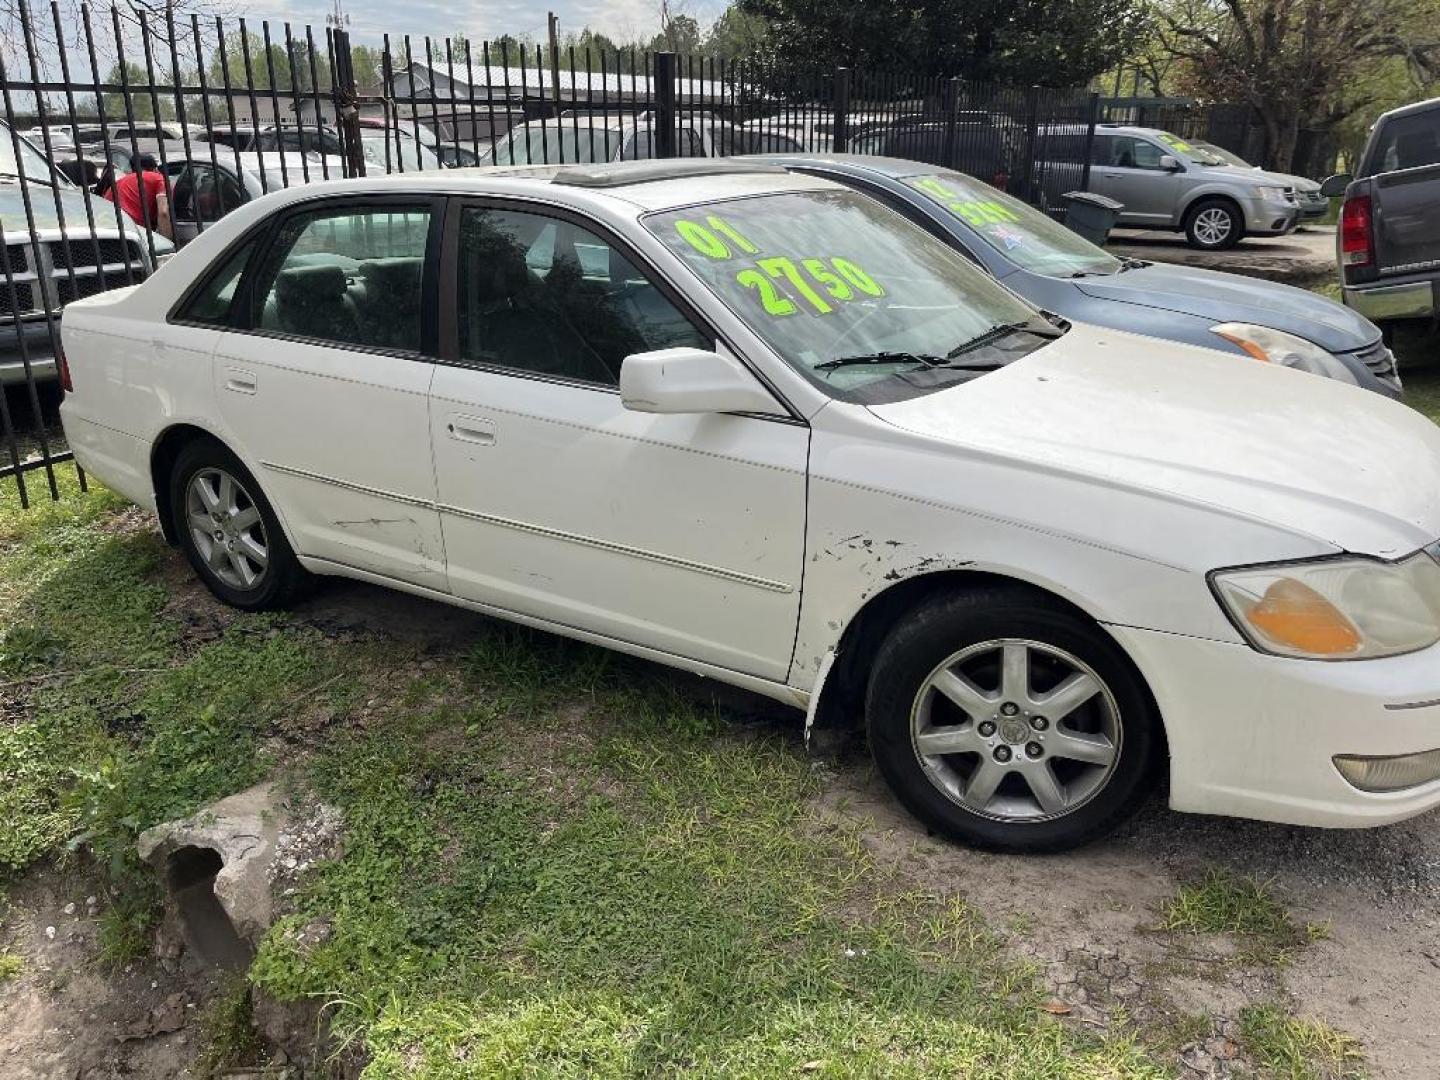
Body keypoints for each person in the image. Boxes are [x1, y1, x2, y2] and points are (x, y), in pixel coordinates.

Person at [104, 153, 173, 239]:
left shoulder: (120, 182)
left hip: (107, 229)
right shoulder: (159, 179)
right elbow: (163, 212)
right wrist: (168, 243)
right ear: (156, 169)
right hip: (132, 230)